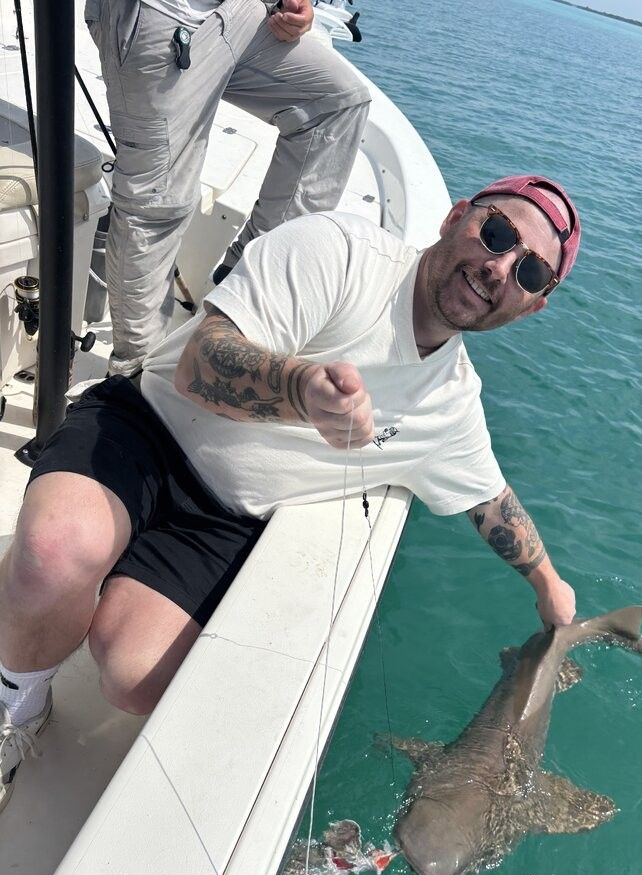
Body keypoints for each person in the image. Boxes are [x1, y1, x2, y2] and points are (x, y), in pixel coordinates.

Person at [0, 173, 580, 814]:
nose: (499, 266)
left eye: (528, 272)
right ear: (455, 218)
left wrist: (549, 587)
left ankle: (74, 596)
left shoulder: (452, 404)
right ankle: (16, 702)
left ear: (533, 306)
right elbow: (200, 363)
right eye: (496, 232)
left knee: (135, 678)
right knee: (56, 552)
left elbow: (490, 501)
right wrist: (301, 390)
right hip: (146, 426)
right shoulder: (340, 254)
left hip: (224, 521)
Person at [83, 0, 371, 376]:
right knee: (156, 206)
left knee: (337, 102)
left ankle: (250, 276)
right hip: (165, 14)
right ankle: (137, 374)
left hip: (242, 10)